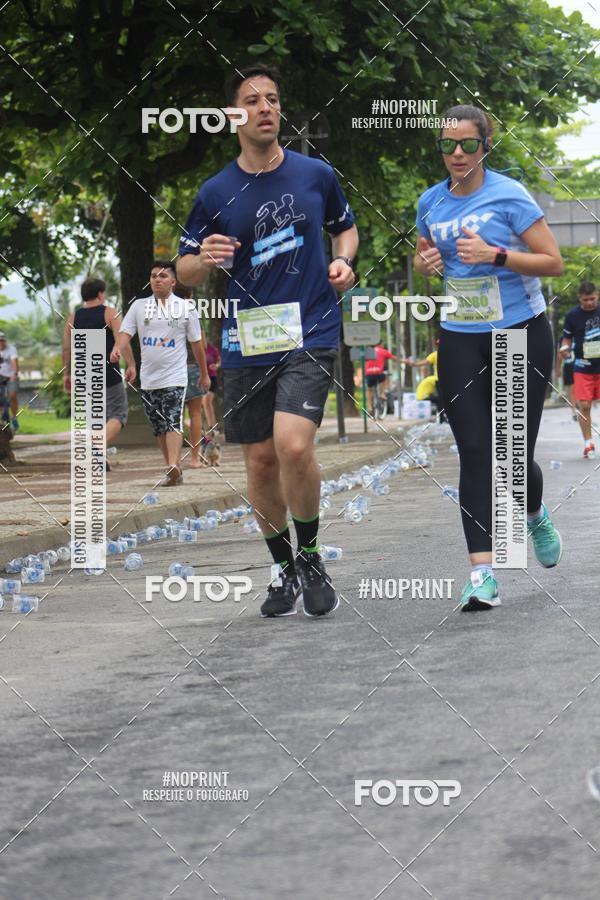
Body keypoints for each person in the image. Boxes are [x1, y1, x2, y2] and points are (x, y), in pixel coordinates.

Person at [177, 64, 358, 618]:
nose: (264, 108)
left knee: (294, 446)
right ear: (234, 115)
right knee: (258, 461)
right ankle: (283, 567)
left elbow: (344, 228)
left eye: (273, 100)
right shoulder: (216, 191)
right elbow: (182, 269)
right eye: (252, 100)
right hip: (245, 339)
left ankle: (311, 555)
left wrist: (344, 261)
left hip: (311, 328)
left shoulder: (314, 175)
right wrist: (200, 260)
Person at [414, 104, 564, 612]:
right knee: (476, 450)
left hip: (519, 330)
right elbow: (424, 253)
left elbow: (553, 263)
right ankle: (482, 574)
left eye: (467, 144)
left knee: (512, 456)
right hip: (460, 336)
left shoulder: (509, 194)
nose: (456, 153)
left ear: (485, 146)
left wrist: (496, 255)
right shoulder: (430, 202)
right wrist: (426, 262)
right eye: (447, 145)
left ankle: (535, 511)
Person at [110, 261, 210, 485]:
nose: (157, 279)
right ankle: (172, 470)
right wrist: (118, 348)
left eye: (163, 276)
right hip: (149, 378)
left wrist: (204, 373)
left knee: (173, 420)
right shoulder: (139, 307)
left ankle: (174, 465)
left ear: (173, 282)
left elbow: (196, 344)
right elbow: (126, 333)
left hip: (175, 376)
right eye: (154, 275)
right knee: (159, 428)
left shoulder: (186, 308)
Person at [62, 278, 136, 466]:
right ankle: (96, 445)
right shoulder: (109, 313)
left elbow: (66, 349)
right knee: (118, 414)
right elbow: (122, 340)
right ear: (101, 294)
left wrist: (67, 374)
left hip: (84, 374)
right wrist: (131, 365)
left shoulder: (73, 318)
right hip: (107, 372)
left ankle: (100, 458)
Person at [559, 281, 600, 458]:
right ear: (579, 298)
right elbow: (566, 339)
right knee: (584, 405)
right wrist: (564, 349)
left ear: (597, 295)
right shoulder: (572, 315)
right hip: (583, 367)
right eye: (585, 300)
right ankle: (588, 443)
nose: (589, 303)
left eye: (592, 299)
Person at [365, 344, 395, 413]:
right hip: (379, 373)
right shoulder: (383, 351)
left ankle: (369, 407)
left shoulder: (367, 351)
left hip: (369, 373)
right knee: (385, 377)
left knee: (369, 389)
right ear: (380, 344)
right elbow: (394, 358)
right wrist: (406, 361)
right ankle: (382, 393)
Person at [0, 333, 19, 431]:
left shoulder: (11, 349)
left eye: (2, 340)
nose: (1, 343)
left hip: (11, 376)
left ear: (5, 341)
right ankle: (2, 421)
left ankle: (14, 417)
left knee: (12, 396)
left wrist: (14, 374)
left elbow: (14, 361)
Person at [202, 340, 221, 434]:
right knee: (204, 404)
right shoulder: (196, 348)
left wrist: (216, 366)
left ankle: (212, 427)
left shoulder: (212, 349)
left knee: (206, 402)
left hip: (212, 378)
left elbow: (219, 360)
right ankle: (212, 427)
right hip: (200, 378)